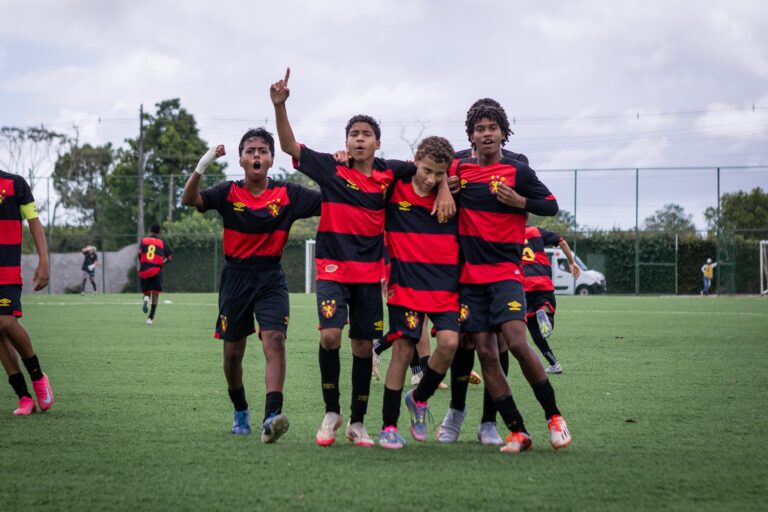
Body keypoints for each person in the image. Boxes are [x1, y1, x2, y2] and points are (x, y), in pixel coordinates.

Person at [270, 68, 454, 447]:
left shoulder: (391, 172)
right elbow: (289, 146)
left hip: (370, 274)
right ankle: (331, 411)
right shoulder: (331, 168)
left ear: (377, 143)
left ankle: (357, 422)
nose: (358, 139)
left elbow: (434, 164)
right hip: (333, 269)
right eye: (353, 134)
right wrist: (279, 106)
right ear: (346, 142)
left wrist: (446, 188)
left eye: (365, 134)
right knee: (331, 336)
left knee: (360, 346)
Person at [438, 100, 572, 453]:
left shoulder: (518, 172)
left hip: (506, 274)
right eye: (479, 129)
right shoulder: (459, 168)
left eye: (492, 128)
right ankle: (518, 431)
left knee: (515, 341)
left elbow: (552, 205)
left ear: (503, 133)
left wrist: (521, 201)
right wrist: (443, 187)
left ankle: (554, 418)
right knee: (484, 351)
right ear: (470, 136)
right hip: (469, 278)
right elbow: (429, 169)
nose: (486, 134)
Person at [182, 127, 321, 443]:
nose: (257, 155)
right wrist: (204, 162)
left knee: (274, 339)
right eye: (250, 150)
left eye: (263, 150)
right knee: (232, 354)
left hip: (271, 277)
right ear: (242, 159)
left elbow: (332, 201)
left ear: (271, 159)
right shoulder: (228, 192)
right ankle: (240, 408)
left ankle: (272, 415)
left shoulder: (289, 194)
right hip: (236, 278)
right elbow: (189, 198)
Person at [375, 136, 460, 449]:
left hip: (444, 285)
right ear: (416, 159)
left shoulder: (452, 195)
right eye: (426, 170)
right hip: (406, 284)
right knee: (404, 349)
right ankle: (388, 426)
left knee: (450, 343)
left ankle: (419, 397)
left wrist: (446, 187)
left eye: (439, 174)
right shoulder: (393, 189)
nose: (431, 178)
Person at [0, 169, 54, 415]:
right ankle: (24, 397)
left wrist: (44, 261)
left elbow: (34, 222)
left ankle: (37, 376)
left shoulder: (15, 184)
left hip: (6, 268)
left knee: (6, 322)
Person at [522, 226, 581, 374]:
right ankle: (545, 315)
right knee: (547, 317)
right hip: (543, 281)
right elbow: (561, 242)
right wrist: (572, 262)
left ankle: (554, 364)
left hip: (523, 285)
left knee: (535, 333)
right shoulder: (536, 231)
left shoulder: (507, 235)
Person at [138, 223, 173, 325]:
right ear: (159, 232)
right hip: (156, 270)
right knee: (155, 294)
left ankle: (146, 299)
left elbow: (140, 253)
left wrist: (142, 263)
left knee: (146, 291)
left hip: (144, 269)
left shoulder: (144, 241)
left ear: (150, 230)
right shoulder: (162, 242)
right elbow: (170, 257)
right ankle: (150, 318)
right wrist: (163, 262)